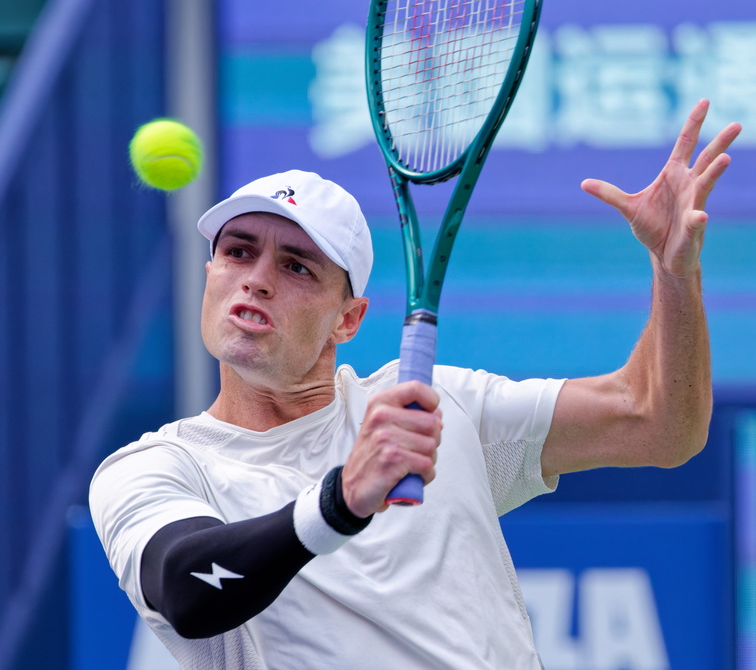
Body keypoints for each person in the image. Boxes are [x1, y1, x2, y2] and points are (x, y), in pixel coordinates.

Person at [89, 99, 741, 669]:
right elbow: (187, 591)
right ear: (210, 275)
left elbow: (659, 422)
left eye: (296, 267)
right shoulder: (154, 468)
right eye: (238, 251)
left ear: (347, 319)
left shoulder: (436, 405)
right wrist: (341, 501)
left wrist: (673, 275)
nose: (256, 278)